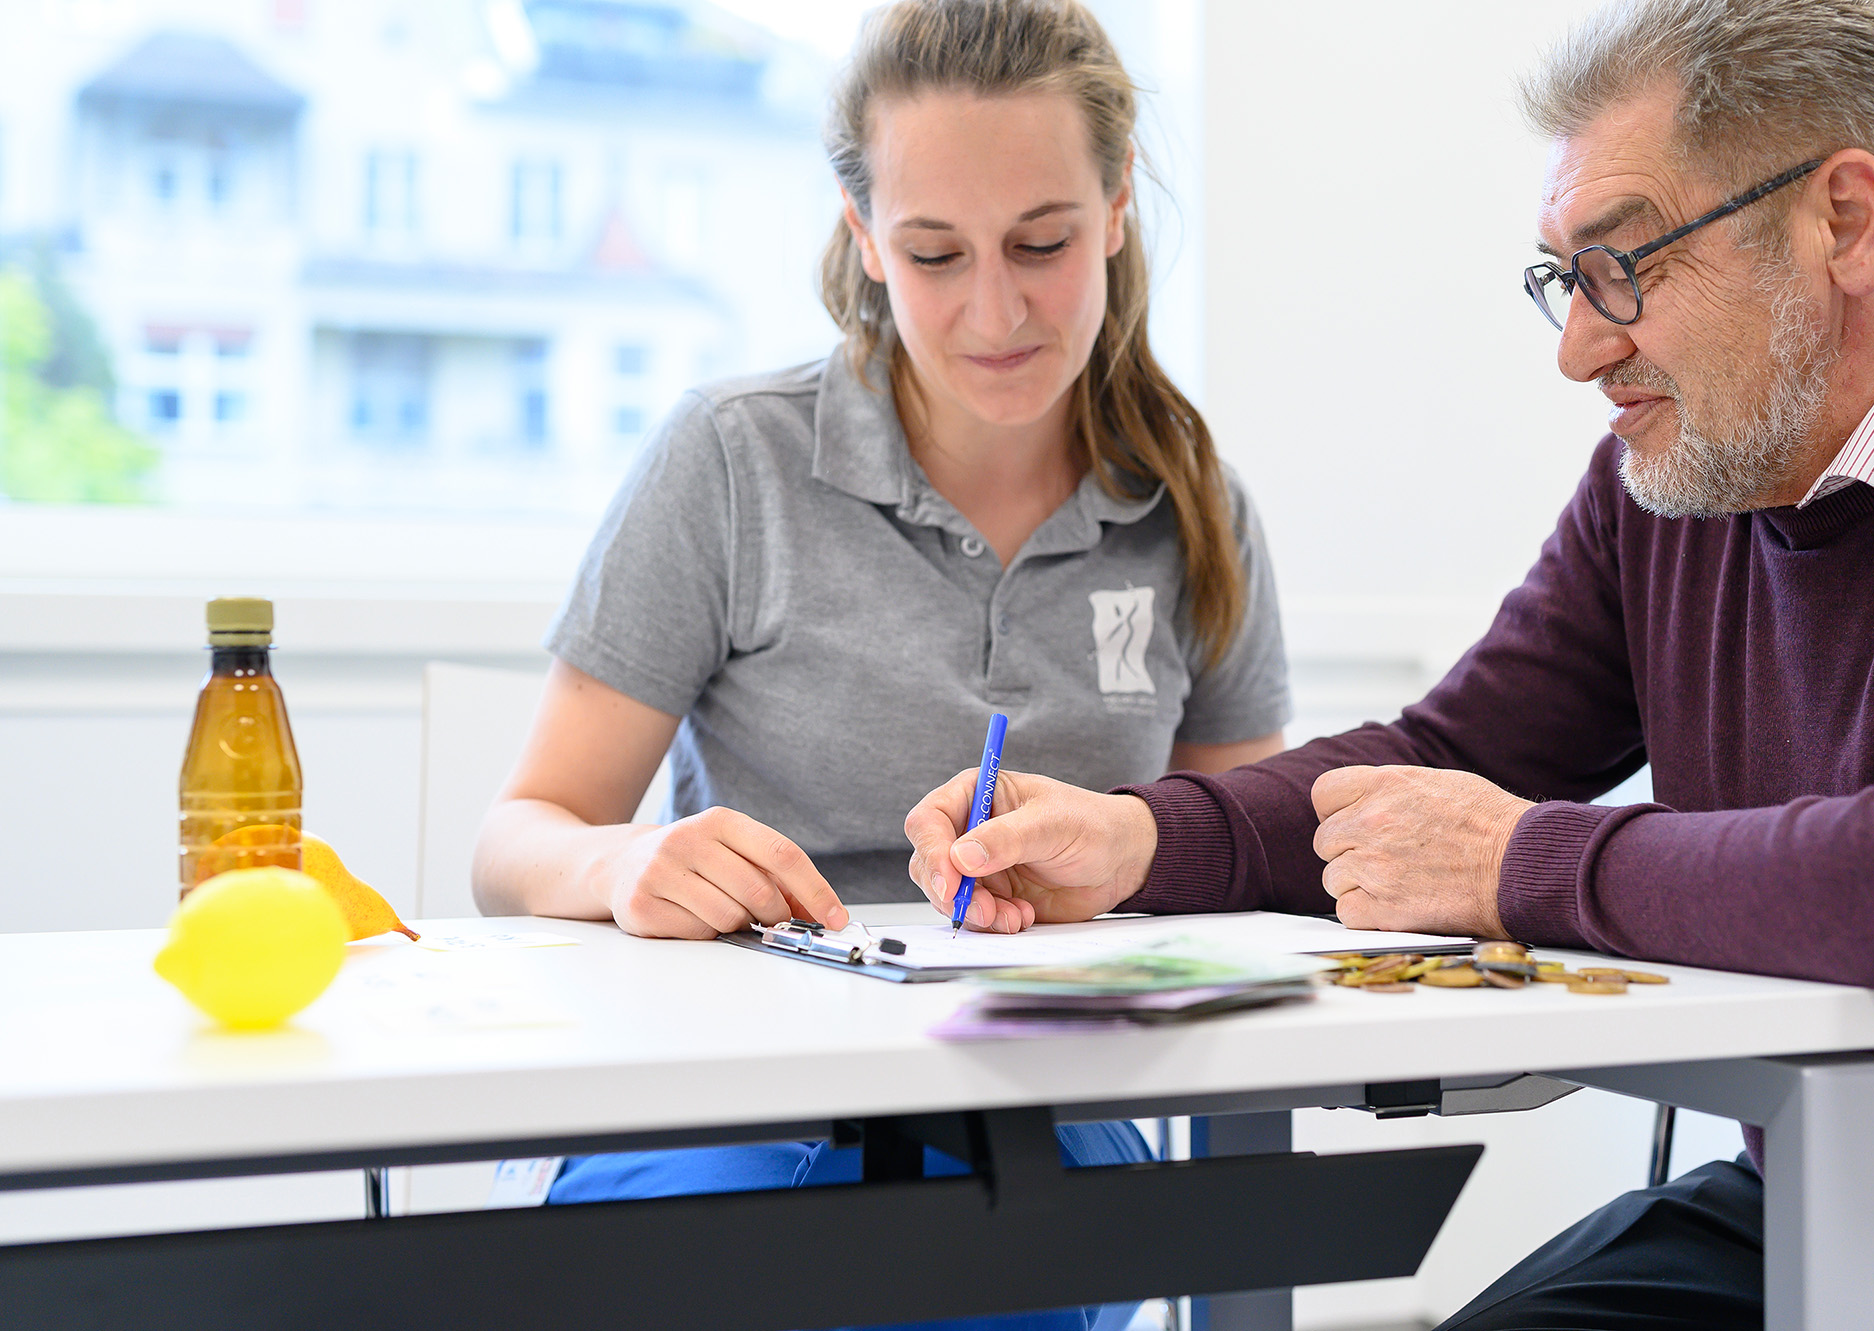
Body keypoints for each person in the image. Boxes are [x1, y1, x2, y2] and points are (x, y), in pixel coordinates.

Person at [904, 1, 1874, 1326]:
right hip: (1833, 1207)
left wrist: (1519, 863)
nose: (1579, 349)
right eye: (1562, 280)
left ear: (1844, 220)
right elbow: (1447, 761)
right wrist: (1136, 839)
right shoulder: (1684, 474)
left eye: (1622, 267)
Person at [472, 2, 1288, 1326]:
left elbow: (1249, 866)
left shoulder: (1192, 508)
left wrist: (1120, 869)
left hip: (1040, 1099)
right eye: (933, 253)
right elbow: (517, 840)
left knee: (976, 1266)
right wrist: (624, 866)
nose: (995, 309)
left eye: (1042, 243)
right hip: (730, 1088)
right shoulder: (733, 459)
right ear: (863, 236)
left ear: (1118, 205)